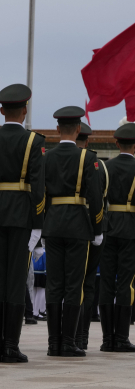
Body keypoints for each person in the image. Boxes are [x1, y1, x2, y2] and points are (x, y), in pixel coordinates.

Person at [43, 106, 103, 357]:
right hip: (79, 226)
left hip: (53, 224)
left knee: (54, 283)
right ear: (79, 130)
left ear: (58, 129)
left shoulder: (46, 157)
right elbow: (96, 197)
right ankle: (68, 342)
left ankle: (53, 343)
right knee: (74, 285)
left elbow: (41, 194)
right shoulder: (88, 158)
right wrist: (97, 227)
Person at [0, 84, 45, 363]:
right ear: (24, 110)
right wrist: (38, 224)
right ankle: (10, 346)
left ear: (2, 110)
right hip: (19, 217)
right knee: (15, 281)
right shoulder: (33, 142)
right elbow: (37, 188)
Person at [99, 123, 135, 353]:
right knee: (126, 284)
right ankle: (121, 337)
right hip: (130, 229)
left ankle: (107, 339)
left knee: (106, 282)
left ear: (117, 143)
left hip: (109, 227)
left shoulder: (105, 167)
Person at [74, 122, 108, 351]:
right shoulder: (97, 165)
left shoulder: (55, 158)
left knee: (63, 284)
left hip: (60, 227)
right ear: (87, 141)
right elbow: (100, 199)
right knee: (86, 284)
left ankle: (60, 336)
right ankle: (81, 337)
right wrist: (97, 230)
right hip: (89, 228)